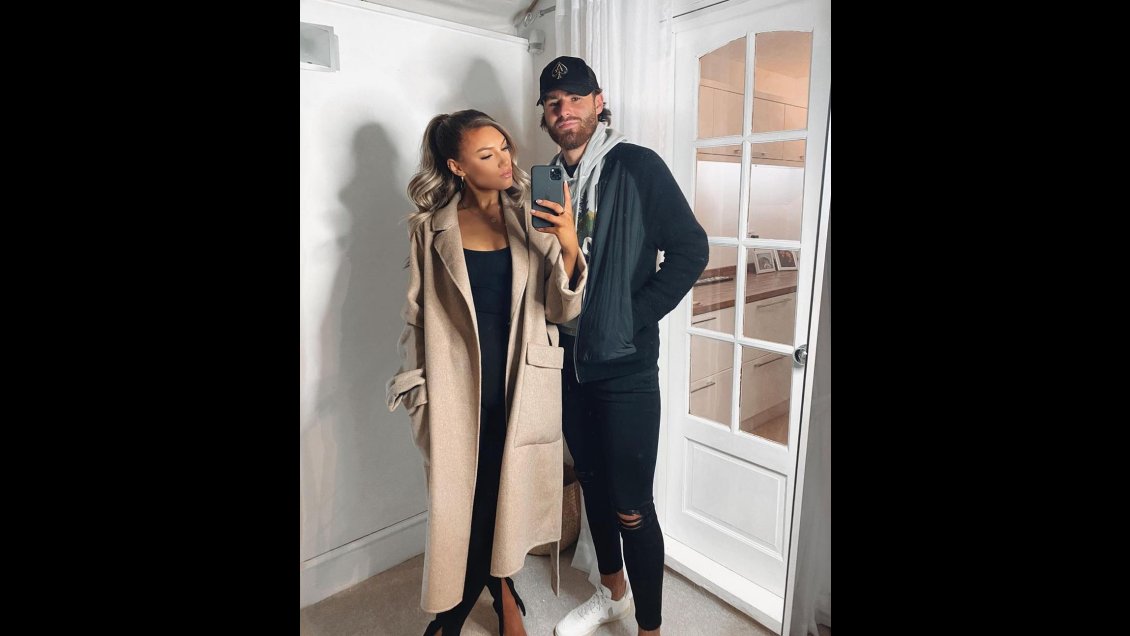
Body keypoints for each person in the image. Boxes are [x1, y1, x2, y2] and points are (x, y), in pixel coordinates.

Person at [386, 109, 587, 636]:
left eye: (504, 147)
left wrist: (567, 240)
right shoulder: (431, 229)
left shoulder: (533, 218)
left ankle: (484, 604)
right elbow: (415, 317)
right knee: (466, 507)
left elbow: (562, 309)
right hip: (456, 394)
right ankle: (486, 600)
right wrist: (416, 389)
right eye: (486, 153)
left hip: (522, 388)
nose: (504, 160)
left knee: (504, 503)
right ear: (457, 166)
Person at [532, 57, 709, 636]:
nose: (565, 110)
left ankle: (650, 630)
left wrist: (629, 318)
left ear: (598, 102)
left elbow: (691, 250)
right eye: (554, 102)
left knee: (631, 504)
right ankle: (613, 594)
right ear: (545, 115)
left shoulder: (637, 166)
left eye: (575, 98)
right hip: (567, 362)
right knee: (592, 484)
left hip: (626, 366)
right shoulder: (547, 181)